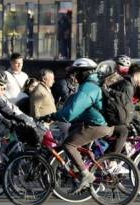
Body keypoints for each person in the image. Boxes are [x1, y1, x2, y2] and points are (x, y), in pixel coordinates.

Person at [49, 58, 114, 192]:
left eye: (77, 73)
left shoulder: (88, 88)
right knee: (74, 131)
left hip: (97, 125)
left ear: (85, 72)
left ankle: (86, 175)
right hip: (98, 123)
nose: (75, 76)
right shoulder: (94, 84)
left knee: (69, 144)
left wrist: (55, 116)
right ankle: (80, 172)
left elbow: (71, 112)